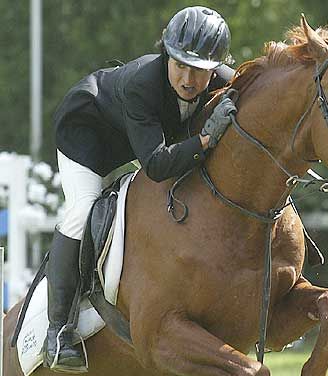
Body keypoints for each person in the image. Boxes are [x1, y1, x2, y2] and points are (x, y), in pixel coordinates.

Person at [43, 6, 236, 373]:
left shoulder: (221, 77)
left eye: (200, 70)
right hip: (89, 133)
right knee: (83, 209)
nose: (189, 78)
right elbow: (158, 166)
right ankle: (58, 331)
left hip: (137, 139)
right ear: (167, 53)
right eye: (180, 64)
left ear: (215, 68)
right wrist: (208, 138)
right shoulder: (142, 85)